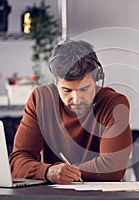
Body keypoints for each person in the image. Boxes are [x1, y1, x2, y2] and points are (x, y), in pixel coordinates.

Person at [9, 40, 132, 184]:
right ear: (56, 83)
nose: (76, 99)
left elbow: (113, 168)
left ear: (97, 79)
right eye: (67, 90)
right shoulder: (40, 100)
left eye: (84, 89)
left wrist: (65, 173)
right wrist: (48, 172)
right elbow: (16, 162)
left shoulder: (114, 104)